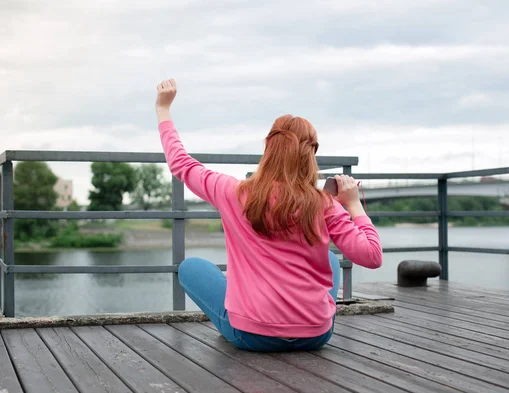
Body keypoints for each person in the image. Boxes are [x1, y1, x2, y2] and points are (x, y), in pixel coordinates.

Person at [155, 79, 383, 352]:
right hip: (316, 335)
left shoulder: (232, 192)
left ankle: (247, 306)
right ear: (310, 154)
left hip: (251, 336)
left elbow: (180, 163)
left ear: (269, 148)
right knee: (331, 260)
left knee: (191, 268)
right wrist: (353, 205)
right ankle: (304, 313)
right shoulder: (324, 203)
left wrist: (163, 109)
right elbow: (372, 256)